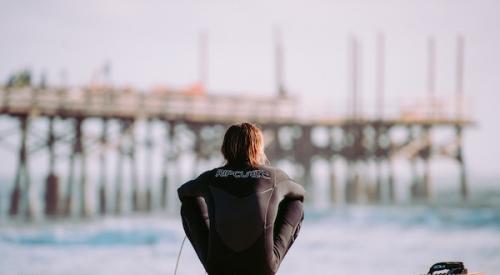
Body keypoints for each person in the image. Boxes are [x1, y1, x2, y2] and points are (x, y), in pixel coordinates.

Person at [178, 122, 305, 275]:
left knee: (189, 204)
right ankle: (268, 253)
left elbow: (183, 192)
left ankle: (214, 251)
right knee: (295, 204)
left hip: (217, 267)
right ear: (258, 148)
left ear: (225, 148)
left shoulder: (211, 177)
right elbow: (300, 193)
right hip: (262, 268)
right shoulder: (273, 176)